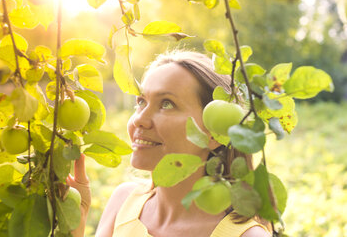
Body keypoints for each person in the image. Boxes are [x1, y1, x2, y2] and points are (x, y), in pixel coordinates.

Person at [68, 51, 272, 237]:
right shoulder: (123, 202)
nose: (140, 119)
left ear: (215, 134)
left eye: (167, 104)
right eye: (141, 102)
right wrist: (74, 224)